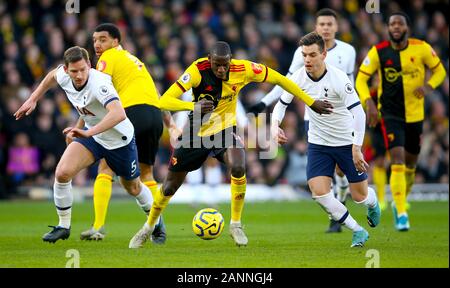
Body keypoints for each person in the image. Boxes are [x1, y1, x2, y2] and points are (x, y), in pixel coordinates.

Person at [128, 41, 333, 248]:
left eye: (225, 64)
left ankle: (235, 224)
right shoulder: (197, 70)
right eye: (217, 64)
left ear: (230, 60)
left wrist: (310, 102)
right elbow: (164, 101)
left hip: (225, 129)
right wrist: (193, 105)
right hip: (195, 132)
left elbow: (280, 79)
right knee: (170, 186)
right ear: (209, 60)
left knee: (238, 164)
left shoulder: (243, 69)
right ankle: (148, 227)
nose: (221, 69)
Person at [14, 46, 154, 243]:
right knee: (62, 173)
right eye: (74, 71)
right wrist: (33, 99)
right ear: (66, 69)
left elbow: (118, 113)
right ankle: (63, 226)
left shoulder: (100, 84)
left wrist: (87, 131)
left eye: (82, 69)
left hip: (118, 140)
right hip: (93, 137)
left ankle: (156, 222)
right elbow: (51, 77)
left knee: (132, 187)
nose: (79, 75)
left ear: (89, 65)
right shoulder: (63, 75)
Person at [249, 8, 356, 233]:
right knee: (323, 173)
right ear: (316, 28)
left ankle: (342, 197)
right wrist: (265, 103)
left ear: (336, 27)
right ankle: (336, 216)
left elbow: (351, 85)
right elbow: (287, 81)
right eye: (321, 24)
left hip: (341, 117)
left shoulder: (348, 52)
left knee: (341, 171)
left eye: (329, 24)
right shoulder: (303, 52)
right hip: (313, 118)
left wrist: (357, 111)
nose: (326, 27)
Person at [271, 32, 381, 247]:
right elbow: (281, 104)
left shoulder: (339, 78)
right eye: (304, 55)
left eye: (312, 55)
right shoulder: (298, 77)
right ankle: (357, 230)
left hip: (346, 143)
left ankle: (372, 202)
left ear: (324, 54)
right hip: (318, 143)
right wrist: (275, 127)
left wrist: (357, 148)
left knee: (360, 197)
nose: (307, 60)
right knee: (319, 193)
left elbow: (359, 114)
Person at [355, 12, 446, 231]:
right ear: (388, 28)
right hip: (390, 114)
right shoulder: (379, 51)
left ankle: (401, 200)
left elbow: (440, 71)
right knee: (396, 160)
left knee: (411, 164)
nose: (396, 26)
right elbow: (361, 78)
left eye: (400, 23)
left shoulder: (421, 48)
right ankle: (401, 212)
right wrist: (368, 102)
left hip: (415, 116)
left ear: (407, 27)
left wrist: (429, 87)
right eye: (392, 23)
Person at [79, 23, 167, 242]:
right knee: (147, 174)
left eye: (103, 39)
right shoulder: (135, 61)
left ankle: (98, 226)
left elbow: (93, 95)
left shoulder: (107, 59)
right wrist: (170, 122)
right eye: (95, 40)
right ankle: (158, 227)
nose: (97, 45)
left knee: (105, 167)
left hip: (132, 112)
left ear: (115, 42)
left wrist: (80, 125)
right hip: (154, 116)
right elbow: (155, 93)